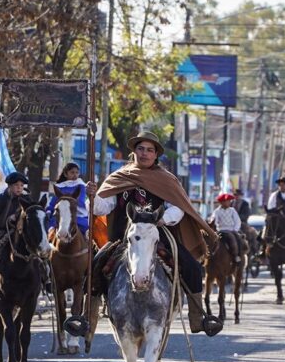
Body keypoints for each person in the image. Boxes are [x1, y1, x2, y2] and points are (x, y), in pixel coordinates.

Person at [86, 131, 222, 336]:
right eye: (141, 149)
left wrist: (162, 219)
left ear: (156, 155)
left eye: (149, 150)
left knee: (193, 267)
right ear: (134, 152)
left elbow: (178, 208)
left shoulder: (166, 179)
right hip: (123, 237)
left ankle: (198, 318)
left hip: (158, 235)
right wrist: (92, 197)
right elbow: (102, 207)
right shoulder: (118, 178)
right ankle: (87, 320)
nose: (144, 153)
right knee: (95, 266)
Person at [46, 162, 89, 236]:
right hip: (61, 215)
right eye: (72, 172)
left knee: (89, 230)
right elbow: (53, 202)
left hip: (78, 215)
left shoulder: (81, 186)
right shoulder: (60, 186)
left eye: (77, 172)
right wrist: (49, 210)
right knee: (50, 227)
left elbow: (81, 201)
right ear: (66, 174)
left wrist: (69, 203)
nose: (75, 175)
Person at [212, 193, 242, 263]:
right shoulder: (217, 211)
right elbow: (214, 220)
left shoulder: (232, 210)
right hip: (220, 230)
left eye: (229, 201)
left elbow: (237, 221)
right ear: (221, 202)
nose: (229, 202)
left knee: (238, 239)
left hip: (231, 230)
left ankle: (237, 255)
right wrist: (216, 228)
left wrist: (235, 230)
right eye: (227, 201)